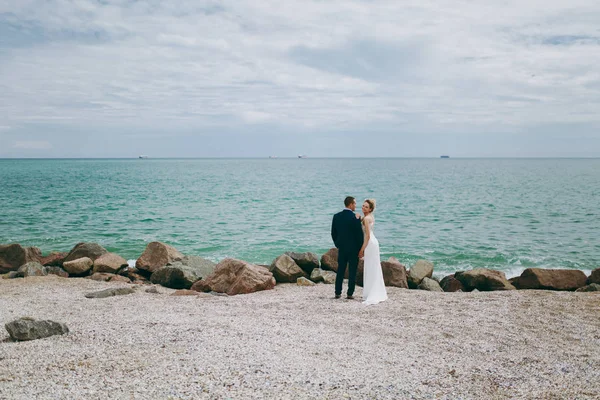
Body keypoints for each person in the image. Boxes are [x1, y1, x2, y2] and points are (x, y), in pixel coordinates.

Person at [331, 196, 364, 299]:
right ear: (350, 204)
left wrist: (338, 244)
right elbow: (359, 235)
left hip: (342, 248)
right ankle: (350, 293)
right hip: (353, 249)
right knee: (352, 271)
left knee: (340, 270)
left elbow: (333, 233)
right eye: (354, 204)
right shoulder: (355, 218)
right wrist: (360, 249)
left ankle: (337, 292)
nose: (355, 205)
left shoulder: (336, 216)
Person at [359, 199, 388, 305]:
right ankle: (374, 291)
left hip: (370, 243)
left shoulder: (366, 219)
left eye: (366, 207)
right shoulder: (369, 217)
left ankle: (371, 293)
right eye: (363, 206)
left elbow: (367, 235)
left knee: (371, 267)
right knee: (373, 267)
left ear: (370, 209)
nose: (363, 208)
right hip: (374, 243)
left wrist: (362, 249)